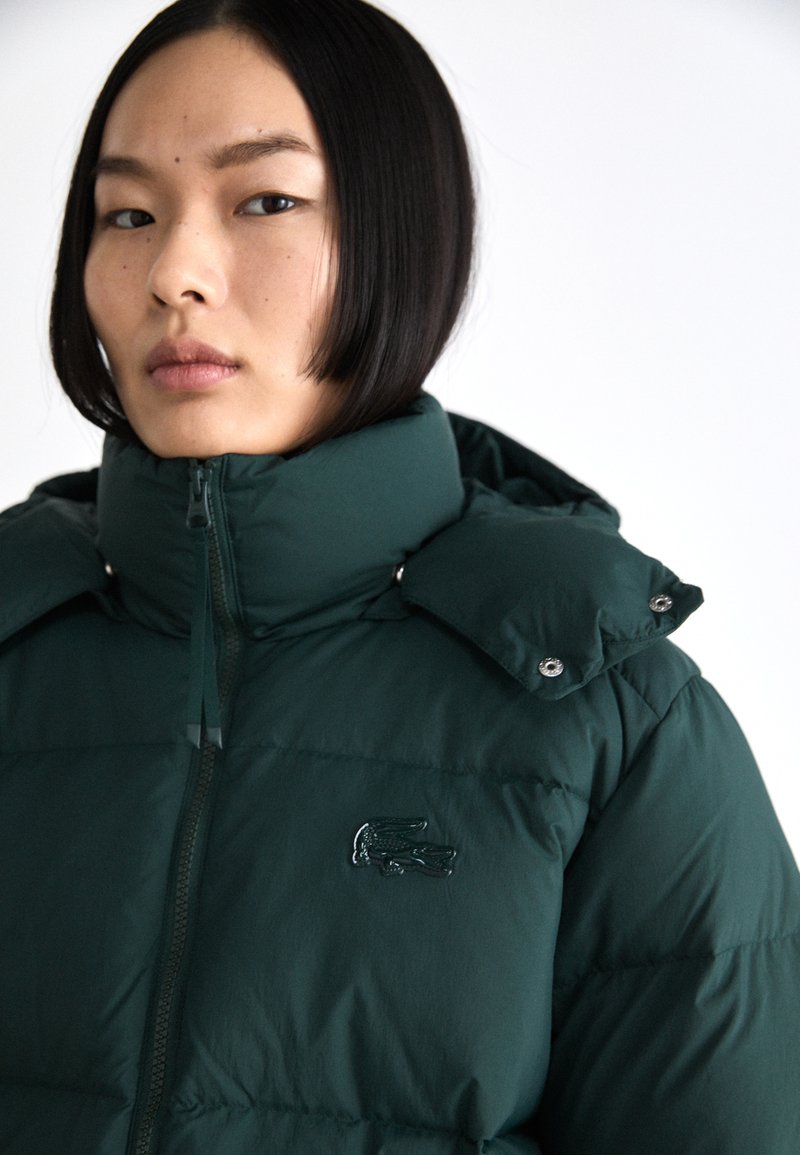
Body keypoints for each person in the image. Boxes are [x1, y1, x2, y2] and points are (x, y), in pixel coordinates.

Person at [0, 0, 797, 1151]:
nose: (172, 271)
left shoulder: (604, 720)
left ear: (401, 237)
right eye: (127, 214)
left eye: (265, 201)